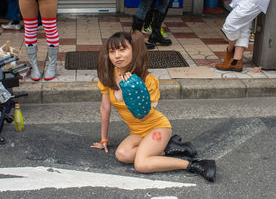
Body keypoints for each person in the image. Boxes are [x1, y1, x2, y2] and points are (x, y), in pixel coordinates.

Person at [92, 31, 216, 182]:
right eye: (112, 51)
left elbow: (142, 114)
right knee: (122, 154)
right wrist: (103, 139)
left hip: (157, 128)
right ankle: (167, 148)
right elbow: (105, 108)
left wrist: (133, 91)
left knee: (141, 164)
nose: (116, 56)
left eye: (122, 49)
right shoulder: (108, 77)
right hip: (137, 132)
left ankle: (195, 165)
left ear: (134, 50)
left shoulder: (147, 80)